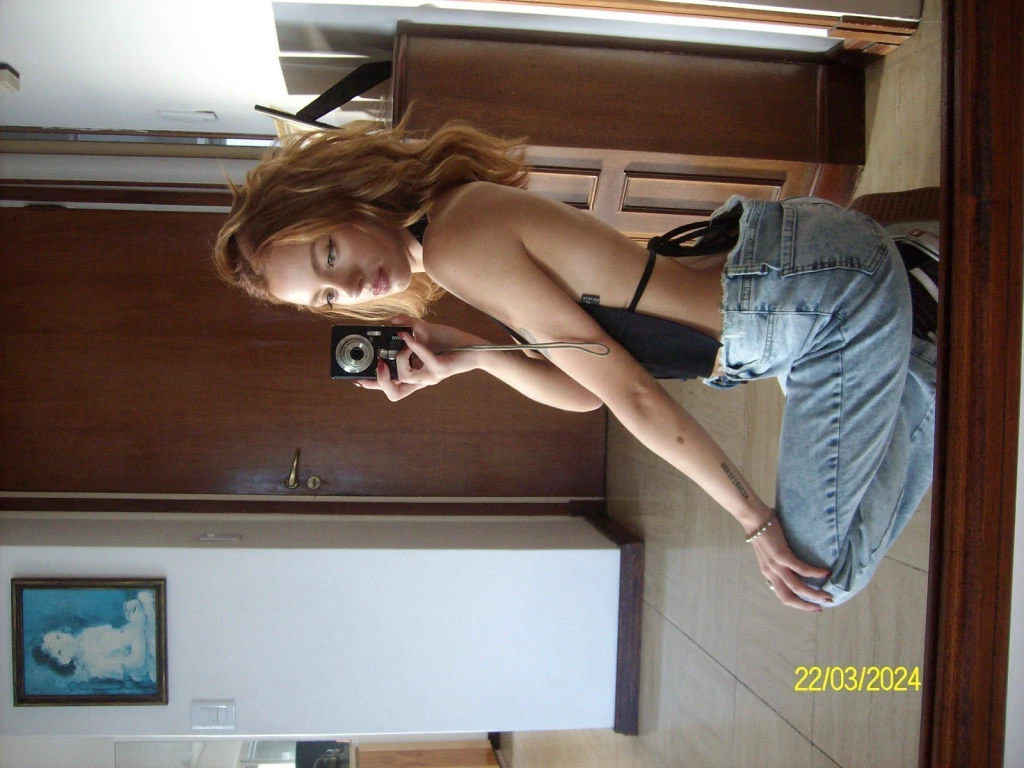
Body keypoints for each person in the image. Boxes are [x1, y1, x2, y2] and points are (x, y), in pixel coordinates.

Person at [213, 121, 937, 609]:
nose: (350, 286)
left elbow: (632, 395)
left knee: (820, 576)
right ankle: (907, 289)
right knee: (838, 478)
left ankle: (919, 312)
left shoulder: (459, 243)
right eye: (329, 295)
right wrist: (470, 357)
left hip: (816, 300)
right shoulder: (449, 231)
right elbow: (582, 392)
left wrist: (753, 520)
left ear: (339, 199)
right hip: (788, 282)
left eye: (329, 255)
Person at [33, 591, 157, 683]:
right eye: (60, 651)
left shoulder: (86, 634)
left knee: (142, 597)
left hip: (141, 630)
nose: (66, 642)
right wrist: (138, 625)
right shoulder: (94, 667)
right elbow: (136, 662)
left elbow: (121, 633)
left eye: (58, 637)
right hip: (148, 656)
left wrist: (131, 616)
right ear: (64, 661)